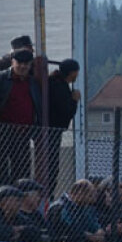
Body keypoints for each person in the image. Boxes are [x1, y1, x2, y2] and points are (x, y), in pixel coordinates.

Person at [0, 49, 40, 198]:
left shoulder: (33, 83)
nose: (22, 67)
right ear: (12, 62)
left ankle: (19, 204)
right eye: (19, 63)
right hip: (0, 134)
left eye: (26, 64)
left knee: (22, 172)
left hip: (23, 134)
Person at [44, 59, 81, 197]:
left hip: (51, 129)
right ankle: (48, 194)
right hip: (53, 130)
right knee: (52, 165)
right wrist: (74, 101)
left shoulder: (53, 82)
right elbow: (65, 111)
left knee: (51, 164)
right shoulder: (59, 86)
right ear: (72, 73)